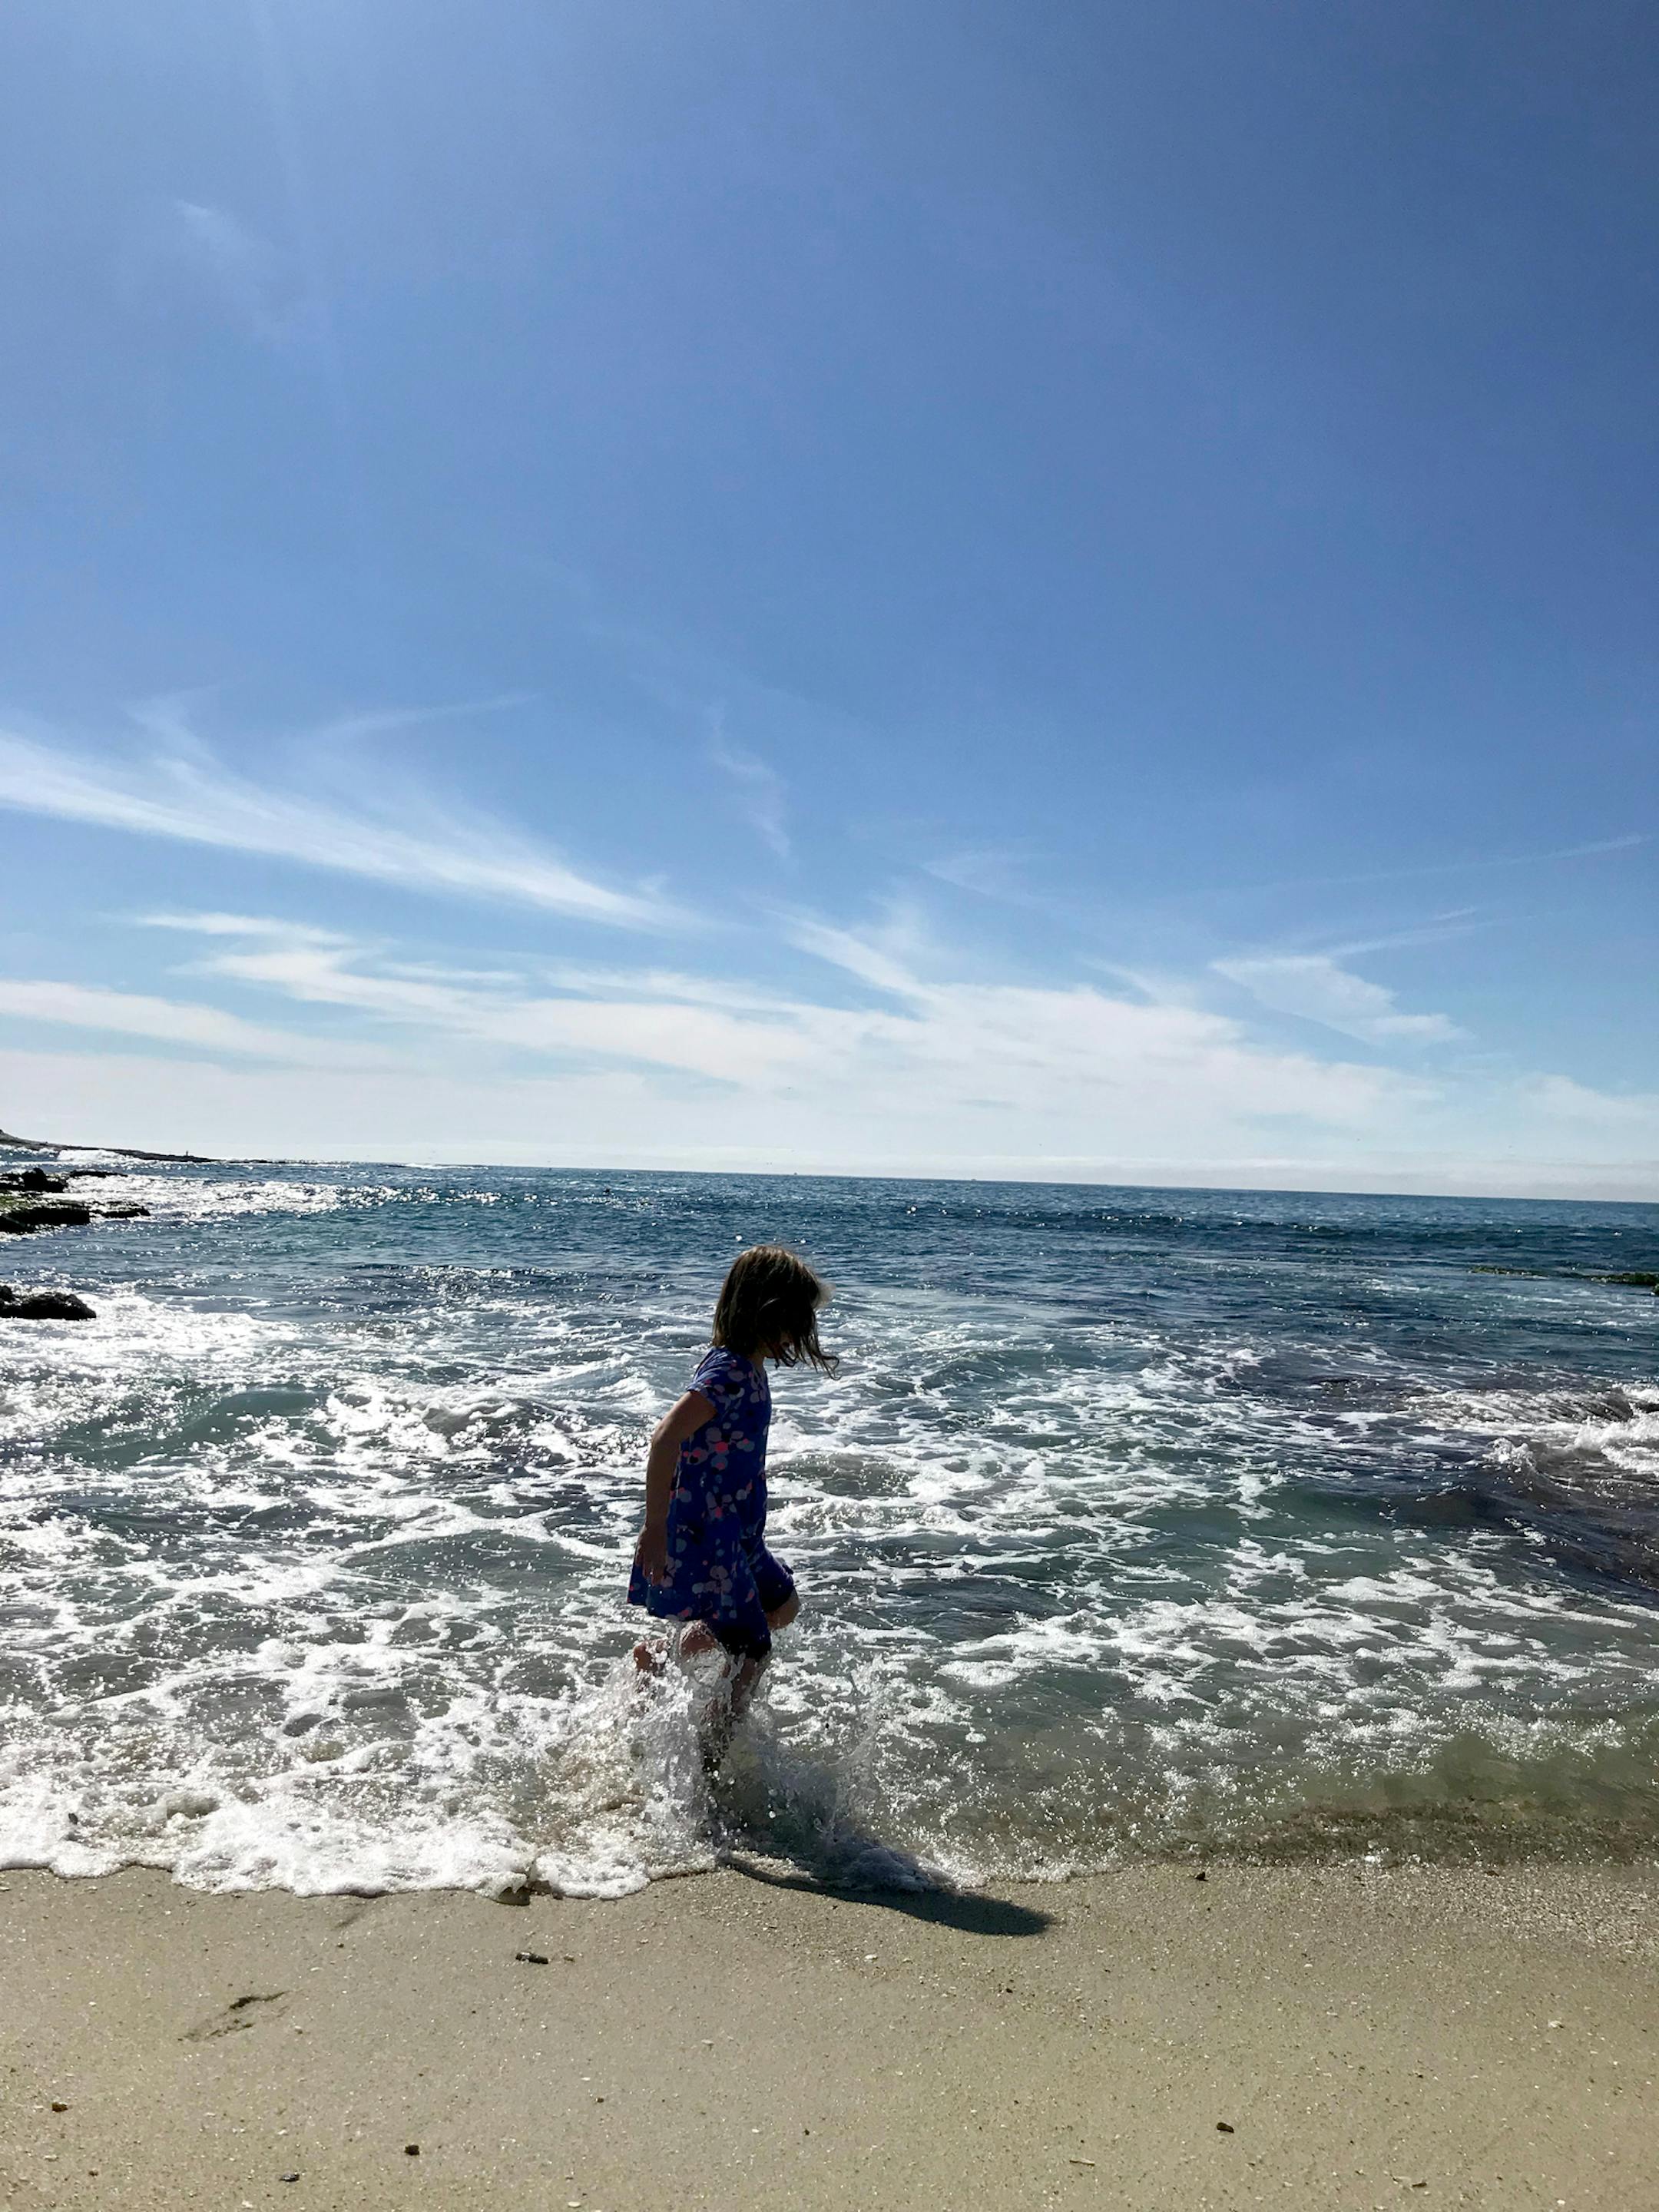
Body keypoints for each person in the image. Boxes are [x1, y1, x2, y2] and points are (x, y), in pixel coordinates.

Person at [628, 1244, 836, 1757]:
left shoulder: (746, 1365)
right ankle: (710, 1757)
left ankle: (660, 1654)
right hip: (710, 1532)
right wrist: (655, 1528)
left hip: (740, 1531)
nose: (798, 1334)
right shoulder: (728, 1373)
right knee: (752, 1648)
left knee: (781, 1605)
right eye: (795, 1320)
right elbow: (664, 1438)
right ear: (768, 1313)